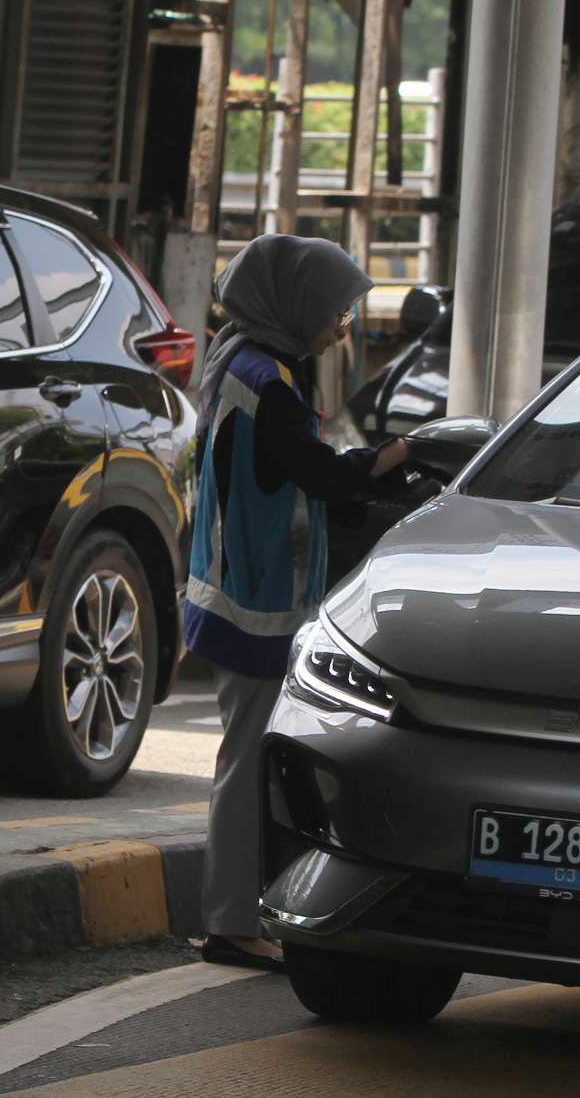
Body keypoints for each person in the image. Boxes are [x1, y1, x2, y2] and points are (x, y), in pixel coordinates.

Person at [186, 234, 410, 971]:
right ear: (295, 304)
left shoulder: (247, 361)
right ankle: (230, 921)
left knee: (249, 761)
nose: (343, 325)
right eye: (335, 310)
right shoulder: (268, 383)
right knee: (248, 767)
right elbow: (319, 474)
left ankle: (241, 912)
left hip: (240, 593)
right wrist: (404, 454)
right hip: (257, 601)